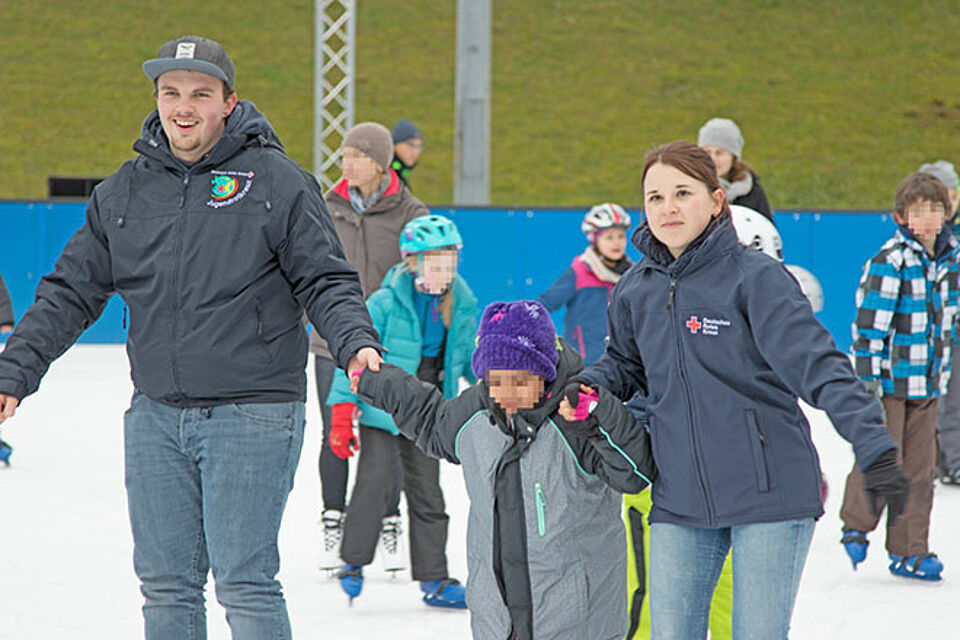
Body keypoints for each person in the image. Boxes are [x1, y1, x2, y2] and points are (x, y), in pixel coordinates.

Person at [0, 35, 382, 639]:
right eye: (171, 92)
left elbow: (325, 277)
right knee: (167, 588)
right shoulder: (124, 192)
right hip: (155, 414)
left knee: (244, 583)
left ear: (228, 103)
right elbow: (70, 291)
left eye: (201, 94)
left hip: (253, 412)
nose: (184, 106)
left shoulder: (277, 182)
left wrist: (354, 338)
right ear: (156, 99)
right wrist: (13, 373)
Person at [563, 141, 905, 639]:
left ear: (716, 200)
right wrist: (591, 386)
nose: (668, 207)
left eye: (682, 192)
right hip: (679, 496)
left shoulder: (756, 279)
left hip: (769, 495)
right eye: (654, 197)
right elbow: (625, 365)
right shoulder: (637, 287)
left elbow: (819, 365)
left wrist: (873, 446)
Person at [351, 299, 656, 639]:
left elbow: (634, 474)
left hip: (577, 620)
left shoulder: (576, 416)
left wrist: (602, 417)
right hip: (498, 619)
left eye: (520, 382)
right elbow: (428, 417)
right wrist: (376, 381)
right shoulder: (477, 413)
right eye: (497, 383)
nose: (507, 395)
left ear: (545, 373)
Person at [327, 215, 476, 608]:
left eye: (449, 263)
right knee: (374, 485)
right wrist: (343, 410)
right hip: (384, 402)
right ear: (412, 263)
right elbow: (354, 359)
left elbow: (467, 359)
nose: (443, 273)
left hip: (429, 407)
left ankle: (435, 578)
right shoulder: (385, 301)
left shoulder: (461, 300)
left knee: (429, 493)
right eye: (433, 264)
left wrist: (493, 388)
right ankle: (353, 562)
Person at [310, 121, 428, 572]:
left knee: (390, 432)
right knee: (334, 432)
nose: (347, 164)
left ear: (379, 164)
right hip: (330, 343)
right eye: (344, 156)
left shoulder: (410, 211)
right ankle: (332, 519)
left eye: (357, 157)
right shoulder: (328, 206)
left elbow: (425, 274)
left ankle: (389, 519)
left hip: (389, 343)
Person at [840, 170, 958, 582]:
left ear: (947, 213)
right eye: (918, 211)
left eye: (935, 210)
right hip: (890, 384)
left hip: (928, 383)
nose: (927, 219)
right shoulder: (891, 262)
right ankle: (856, 523)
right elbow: (870, 327)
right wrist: (867, 379)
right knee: (882, 458)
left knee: (921, 471)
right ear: (901, 216)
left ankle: (911, 550)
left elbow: (950, 319)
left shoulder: (951, 260)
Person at [538, 203, 632, 366]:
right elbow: (543, 305)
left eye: (621, 236)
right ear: (594, 239)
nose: (616, 243)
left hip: (622, 365)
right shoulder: (578, 273)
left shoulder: (632, 275)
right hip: (584, 364)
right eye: (609, 237)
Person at [918, 160, 960, 486]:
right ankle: (931, 459)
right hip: (924, 336)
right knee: (928, 400)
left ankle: (953, 459)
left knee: (953, 401)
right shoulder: (914, 244)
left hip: (953, 335)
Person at [697, 117, 773, 221]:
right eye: (707, 152)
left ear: (733, 157)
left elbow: (766, 228)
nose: (712, 159)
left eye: (719, 152)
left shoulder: (752, 191)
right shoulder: (693, 189)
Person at [391, 119, 423, 189]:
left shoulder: (400, 177)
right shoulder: (386, 177)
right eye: (410, 144)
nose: (415, 151)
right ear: (395, 144)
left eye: (419, 146)